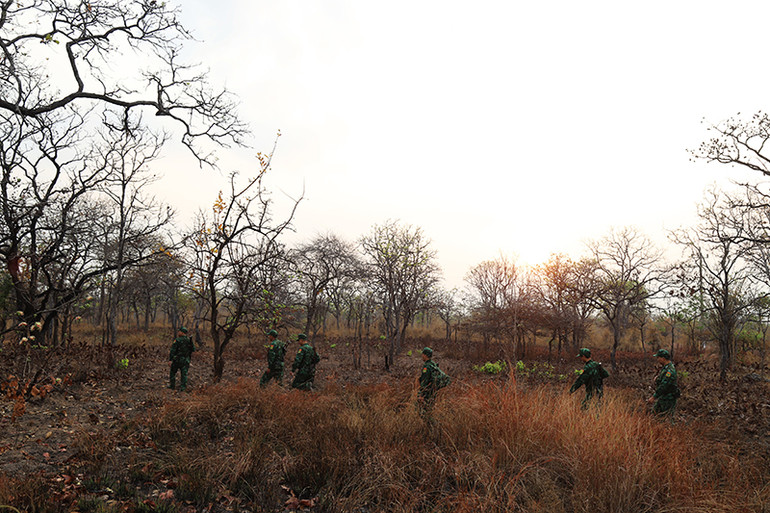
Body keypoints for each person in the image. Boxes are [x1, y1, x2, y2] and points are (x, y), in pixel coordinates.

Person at [415, 347, 450, 422]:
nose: (422, 356)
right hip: (433, 391)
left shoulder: (427, 367)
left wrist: (421, 395)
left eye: (423, 354)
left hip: (427, 393)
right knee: (429, 410)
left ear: (425, 355)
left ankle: (432, 426)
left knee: (423, 412)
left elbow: (424, 382)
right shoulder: (433, 364)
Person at [647, 348, 679, 420]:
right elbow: (663, 380)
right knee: (654, 414)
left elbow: (664, 385)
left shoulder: (669, 370)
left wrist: (654, 397)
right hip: (663, 397)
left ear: (663, 358)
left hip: (668, 398)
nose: (657, 359)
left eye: (658, 357)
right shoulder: (665, 368)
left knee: (666, 419)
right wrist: (657, 378)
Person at [168, 326, 195, 392]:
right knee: (184, 374)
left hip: (177, 360)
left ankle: (172, 386)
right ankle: (183, 388)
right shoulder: (189, 340)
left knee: (172, 373)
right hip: (185, 360)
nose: (178, 332)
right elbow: (193, 349)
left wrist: (170, 359)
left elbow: (173, 351)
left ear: (182, 333)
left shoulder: (177, 340)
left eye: (179, 331)